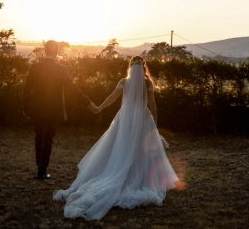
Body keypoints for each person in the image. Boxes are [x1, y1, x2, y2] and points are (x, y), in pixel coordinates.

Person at [54, 55, 179, 220]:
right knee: (142, 151)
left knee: (121, 147)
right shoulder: (147, 83)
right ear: (143, 67)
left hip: (124, 119)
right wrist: (154, 122)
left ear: (130, 67)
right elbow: (152, 104)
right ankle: (143, 180)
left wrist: (99, 108)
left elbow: (111, 98)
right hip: (142, 119)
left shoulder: (123, 82)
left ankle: (118, 171)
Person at [23, 40, 97, 180]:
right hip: (53, 110)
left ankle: (40, 167)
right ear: (56, 52)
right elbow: (73, 88)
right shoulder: (61, 69)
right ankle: (42, 170)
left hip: (37, 108)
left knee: (38, 136)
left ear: (45, 51)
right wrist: (87, 102)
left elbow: (27, 89)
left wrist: (25, 107)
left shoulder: (35, 67)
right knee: (48, 139)